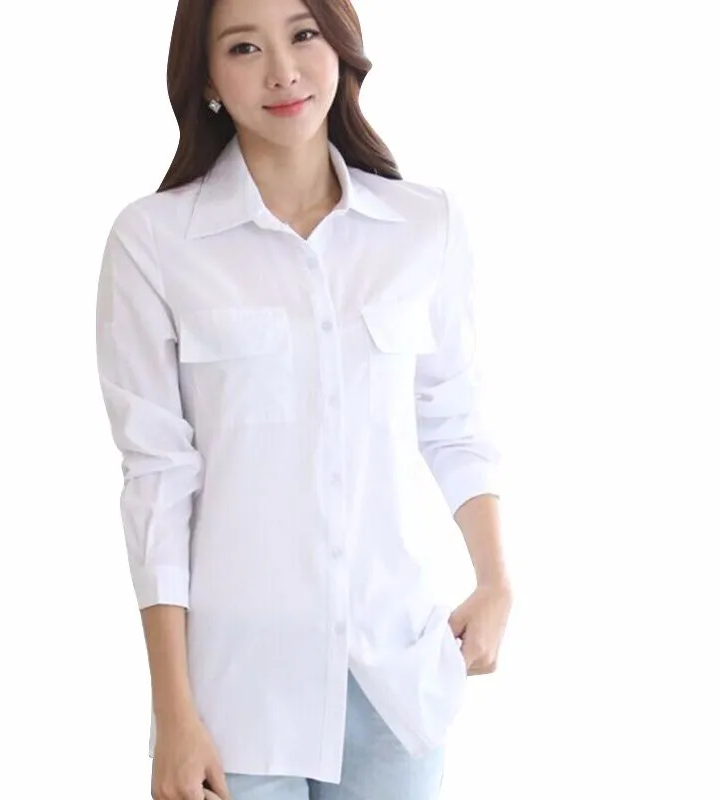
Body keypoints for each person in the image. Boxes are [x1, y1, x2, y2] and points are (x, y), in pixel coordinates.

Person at [95, 0, 513, 798]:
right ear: (207, 77)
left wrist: (495, 581)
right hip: (237, 697)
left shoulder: (425, 226)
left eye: (303, 34)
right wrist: (174, 712)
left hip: (397, 680)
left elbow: (454, 421)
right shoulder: (153, 244)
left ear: (341, 45)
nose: (282, 72)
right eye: (243, 48)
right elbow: (156, 484)